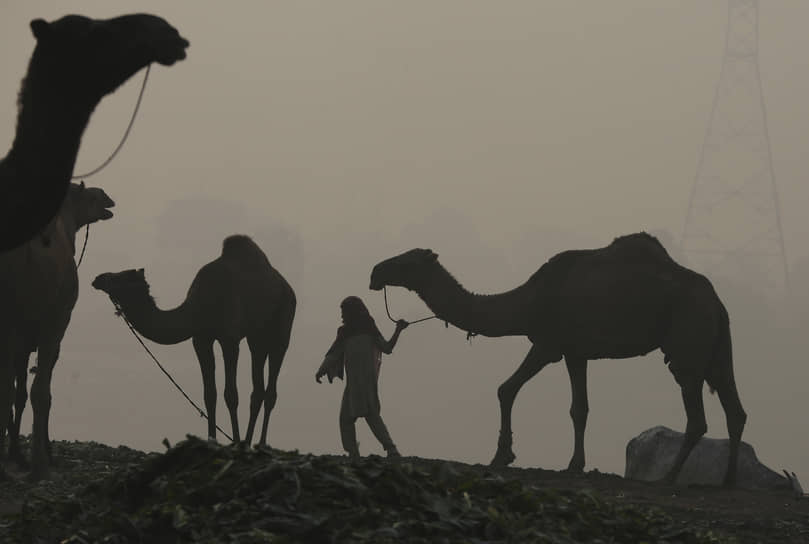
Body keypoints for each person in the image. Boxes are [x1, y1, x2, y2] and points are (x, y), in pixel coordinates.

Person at [316, 296, 408, 460]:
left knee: (369, 415)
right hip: (354, 383)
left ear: (352, 312)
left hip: (365, 381)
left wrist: (398, 330)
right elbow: (334, 354)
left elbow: (386, 348)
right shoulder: (347, 332)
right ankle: (355, 452)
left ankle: (390, 449)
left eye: (344, 312)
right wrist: (321, 369)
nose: (342, 316)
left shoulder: (367, 329)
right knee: (348, 418)